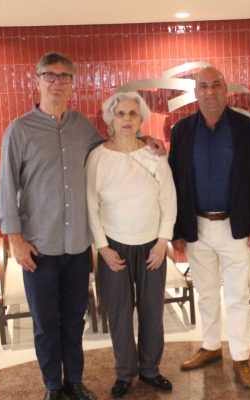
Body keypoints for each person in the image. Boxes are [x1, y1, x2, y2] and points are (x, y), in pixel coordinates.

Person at [0, 53, 163, 400]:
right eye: (49, 75)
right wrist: (15, 238)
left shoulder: (82, 126)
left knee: (74, 319)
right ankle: (53, 386)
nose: (56, 82)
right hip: (39, 245)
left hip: (76, 245)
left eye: (64, 76)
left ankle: (74, 380)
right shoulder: (19, 130)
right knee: (46, 323)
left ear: (72, 83)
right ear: (37, 80)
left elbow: (114, 146)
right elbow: (6, 186)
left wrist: (145, 140)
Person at [168, 67, 250, 389]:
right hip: (196, 226)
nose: (210, 92)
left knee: (237, 295)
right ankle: (211, 346)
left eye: (216, 85)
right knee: (207, 292)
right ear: (195, 92)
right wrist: (176, 230)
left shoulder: (247, 129)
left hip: (235, 226)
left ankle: (241, 357)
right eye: (203, 86)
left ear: (226, 90)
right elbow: (174, 182)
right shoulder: (182, 131)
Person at [86, 92, 177, 398]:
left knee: (152, 311)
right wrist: (103, 248)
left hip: (152, 247)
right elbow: (91, 206)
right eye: (120, 113)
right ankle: (125, 373)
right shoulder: (98, 157)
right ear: (110, 119)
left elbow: (168, 200)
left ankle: (150, 370)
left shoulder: (154, 155)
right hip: (114, 248)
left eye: (132, 114)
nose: (126, 119)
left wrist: (162, 242)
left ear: (141, 120)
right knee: (119, 312)